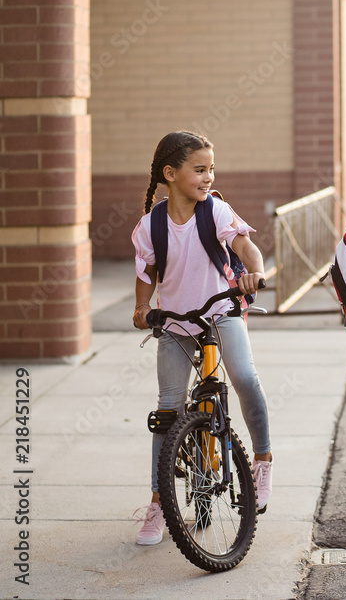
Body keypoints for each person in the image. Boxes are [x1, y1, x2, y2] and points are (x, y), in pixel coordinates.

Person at [130, 130, 272, 546]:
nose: (209, 176)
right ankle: (158, 502)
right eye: (199, 169)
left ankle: (262, 460)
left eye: (212, 168)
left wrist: (254, 275)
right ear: (170, 174)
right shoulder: (150, 225)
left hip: (222, 311)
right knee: (168, 411)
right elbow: (146, 275)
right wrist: (142, 309)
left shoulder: (217, 212)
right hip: (175, 322)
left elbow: (248, 251)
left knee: (244, 377)